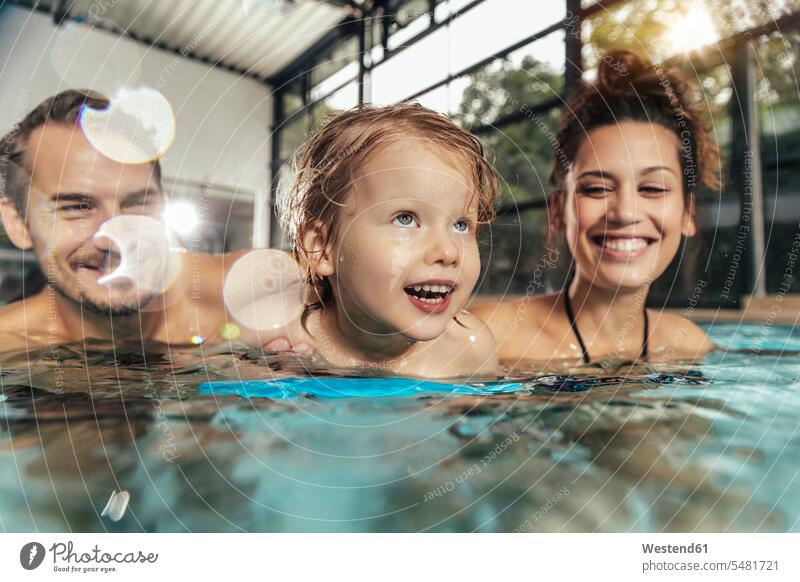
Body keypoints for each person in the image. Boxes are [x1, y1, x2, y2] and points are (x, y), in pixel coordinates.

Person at [0, 89, 304, 353]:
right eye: (78, 207)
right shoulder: (10, 345)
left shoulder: (243, 292)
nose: (114, 238)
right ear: (17, 222)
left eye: (137, 203)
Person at [473, 50, 720, 365]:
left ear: (689, 214)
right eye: (597, 188)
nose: (625, 213)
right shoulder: (484, 342)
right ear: (559, 211)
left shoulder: (691, 346)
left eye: (653, 188)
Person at [259, 103, 499, 377]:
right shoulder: (280, 340)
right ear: (322, 248)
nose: (448, 251)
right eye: (405, 219)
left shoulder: (469, 352)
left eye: (460, 225)